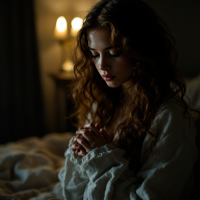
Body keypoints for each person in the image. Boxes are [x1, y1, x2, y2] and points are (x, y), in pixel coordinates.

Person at [58, 0, 199, 199]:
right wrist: (82, 155)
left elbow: (148, 196)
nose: (102, 65)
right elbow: (75, 190)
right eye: (95, 54)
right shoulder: (103, 101)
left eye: (113, 53)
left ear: (141, 49)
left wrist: (101, 158)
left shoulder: (170, 118)